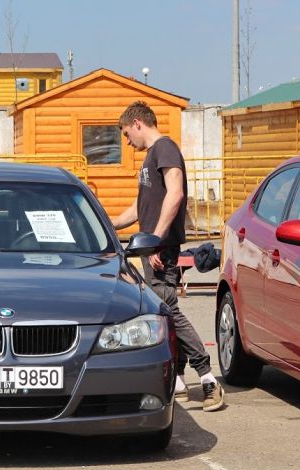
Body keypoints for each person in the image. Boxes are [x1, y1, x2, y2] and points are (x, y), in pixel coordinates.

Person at [112, 100, 225, 412]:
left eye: (125, 134)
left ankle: (207, 378)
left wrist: (157, 240)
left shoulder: (165, 149)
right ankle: (177, 380)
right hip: (152, 248)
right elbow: (142, 207)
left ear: (137, 123)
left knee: (168, 311)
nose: (126, 141)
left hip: (160, 249)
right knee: (163, 314)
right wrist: (107, 223)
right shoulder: (151, 157)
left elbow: (175, 194)